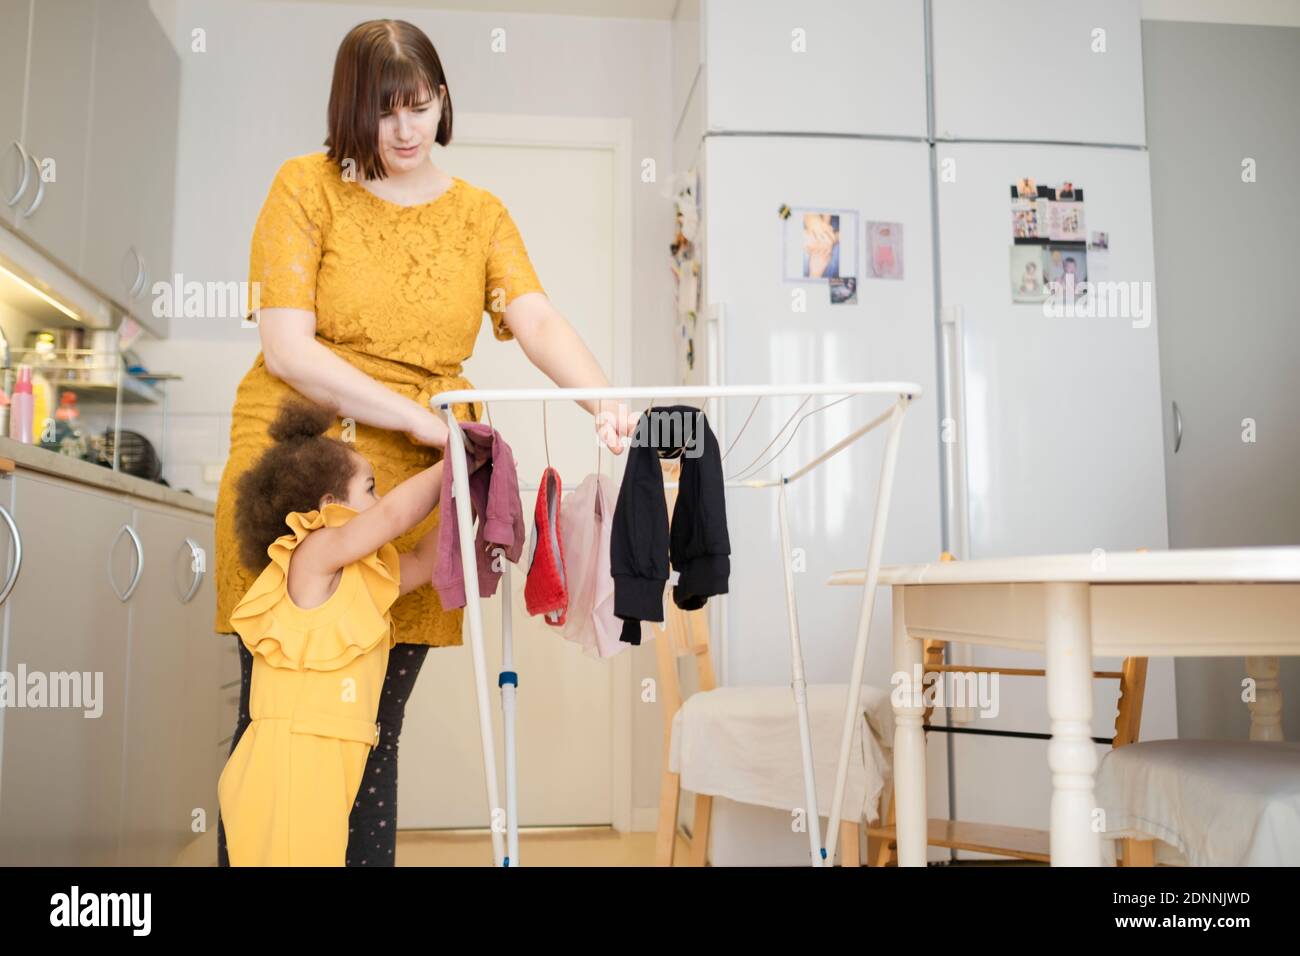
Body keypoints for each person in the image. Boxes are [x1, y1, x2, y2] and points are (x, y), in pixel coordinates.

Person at [213, 18, 640, 866]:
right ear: (351, 112)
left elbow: (538, 317)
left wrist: (602, 398)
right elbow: (287, 347)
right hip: (301, 460)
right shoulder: (305, 186)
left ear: (443, 100)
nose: (407, 129)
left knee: (375, 720)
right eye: (385, 111)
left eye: (422, 104)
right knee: (278, 708)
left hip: (411, 476)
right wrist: (414, 417)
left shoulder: (479, 214)